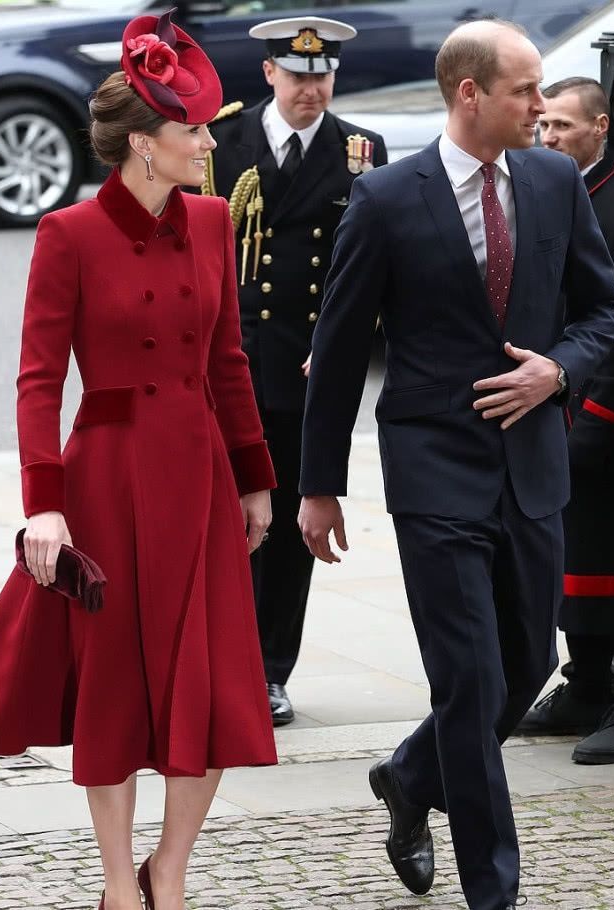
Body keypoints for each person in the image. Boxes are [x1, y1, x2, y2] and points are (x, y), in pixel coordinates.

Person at [0, 12, 277, 909]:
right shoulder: (67, 235)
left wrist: (254, 479)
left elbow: (229, 364)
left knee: (212, 681)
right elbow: (38, 381)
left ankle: (173, 869)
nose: (208, 141)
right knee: (118, 685)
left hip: (199, 478)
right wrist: (42, 504)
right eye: (192, 129)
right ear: (141, 145)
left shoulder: (210, 223)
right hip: (109, 482)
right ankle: (120, 882)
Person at [298, 20, 614, 910]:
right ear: (469, 94)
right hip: (434, 467)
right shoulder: (387, 199)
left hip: (533, 466)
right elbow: (335, 349)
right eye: (526, 91)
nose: (543, 107)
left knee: (525, 666)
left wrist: (556, 370)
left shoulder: (556, 181)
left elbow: (606, 309)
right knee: (470, 675)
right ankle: (495, 890)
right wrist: (318, 486)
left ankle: (410, 776)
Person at [200, 16, 386, 726]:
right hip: (229, 359)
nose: (313, 89)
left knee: (286, 527)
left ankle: (269, 669)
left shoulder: (360, 151)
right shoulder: (221, 141)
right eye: (299, 75)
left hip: (302, 367)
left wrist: (344, 345)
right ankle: (214, 656)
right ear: (270, 74)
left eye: (323, 77)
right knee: (219, 516)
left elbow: (370, 264)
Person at [517, 77, 614, 764]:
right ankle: (585, 683)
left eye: (563, 127)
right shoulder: (552, 194)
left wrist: (598, 419)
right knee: (572, 557)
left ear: (602, 127)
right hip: (559, 404)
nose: (548, 138)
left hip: (609, 416)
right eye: (543, 126)